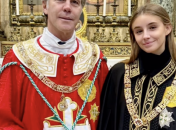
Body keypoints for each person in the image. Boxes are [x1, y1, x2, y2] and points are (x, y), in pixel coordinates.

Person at [0, 0, 108, 130]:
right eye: (60, 0)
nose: (68, 7)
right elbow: (5, 121)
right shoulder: (18, 58)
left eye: (75, 2)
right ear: (45, 6)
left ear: (80, 9)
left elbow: (109, 118)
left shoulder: (95, 58)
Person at [97, 3, 176, 130]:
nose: (145, 36)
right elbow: (106, 123)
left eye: (152, 27)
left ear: (167, 28)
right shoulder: (118, 74)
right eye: (139, 31)